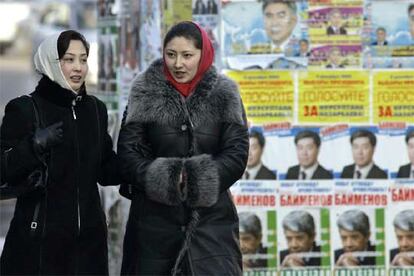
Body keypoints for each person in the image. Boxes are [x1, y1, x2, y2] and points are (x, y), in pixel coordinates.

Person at [117, 21, 249, 275]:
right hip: (153, 228)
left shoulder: (225, 94)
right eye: (171, 55)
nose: (178, 64)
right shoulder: (144, 92)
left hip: (212, 227)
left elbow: (236, 153)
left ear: (203, 54)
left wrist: (196, 179)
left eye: (187, 55)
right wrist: (167, 179)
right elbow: (128, 153)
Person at [0, 30, 120, 275]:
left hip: (89, 247)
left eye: (83, 59)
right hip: (40, 245)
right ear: (50, 62)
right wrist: (33, 145)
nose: (78, 67)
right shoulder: (24, 109)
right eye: (68, 59)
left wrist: (135, 151)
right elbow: (3, 169)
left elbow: (106, 171)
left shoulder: (95, 110)